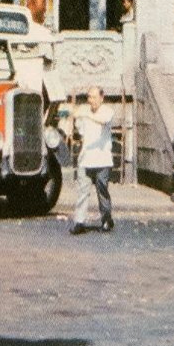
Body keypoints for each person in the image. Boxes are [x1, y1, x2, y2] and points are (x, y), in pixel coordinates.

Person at [69, 85, 116, 234]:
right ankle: (79, 221)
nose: (91, 100)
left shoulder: (107, 111)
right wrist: (71, 115)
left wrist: (85, 115)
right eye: (89, 97)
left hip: (102, 159)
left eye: (94, 97)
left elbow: (102, 121)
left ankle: (106, 218)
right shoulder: (84, 112)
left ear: (101, 98)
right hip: (86, 159)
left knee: (102, 190)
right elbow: (80, 130)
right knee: (82, 191)